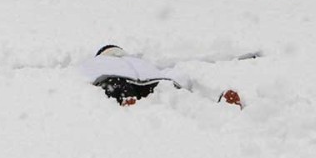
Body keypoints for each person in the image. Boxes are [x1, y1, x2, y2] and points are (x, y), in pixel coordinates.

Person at [78, 45, 242, 107]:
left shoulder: (97, 61)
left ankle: (127, 100)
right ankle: (218, 106)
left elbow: (84, 76)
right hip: (152, 81)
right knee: (172, 93)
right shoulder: (137, 60)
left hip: (119, 79)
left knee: (117, 86)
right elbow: (162, 72)